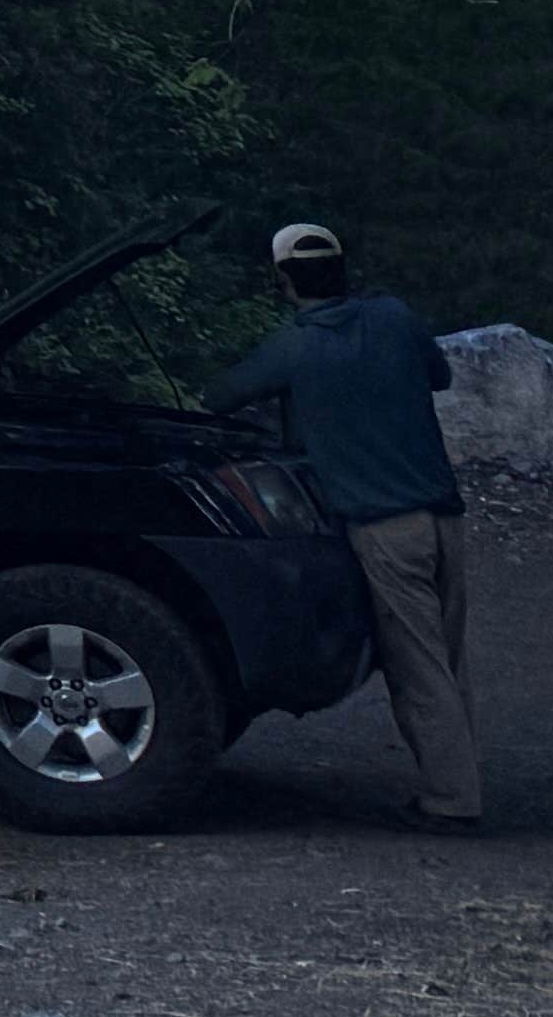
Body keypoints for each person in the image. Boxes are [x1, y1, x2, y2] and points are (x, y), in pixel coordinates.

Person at [207, 222, 484, 827]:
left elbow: (221, 395)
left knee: (417, 665)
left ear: (283, 281)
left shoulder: (295, 347)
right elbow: (440, 375)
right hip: (444, 514)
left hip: (383, 527)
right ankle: (460, 781)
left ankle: (453, 802)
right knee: (448, 658)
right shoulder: (395, 318)